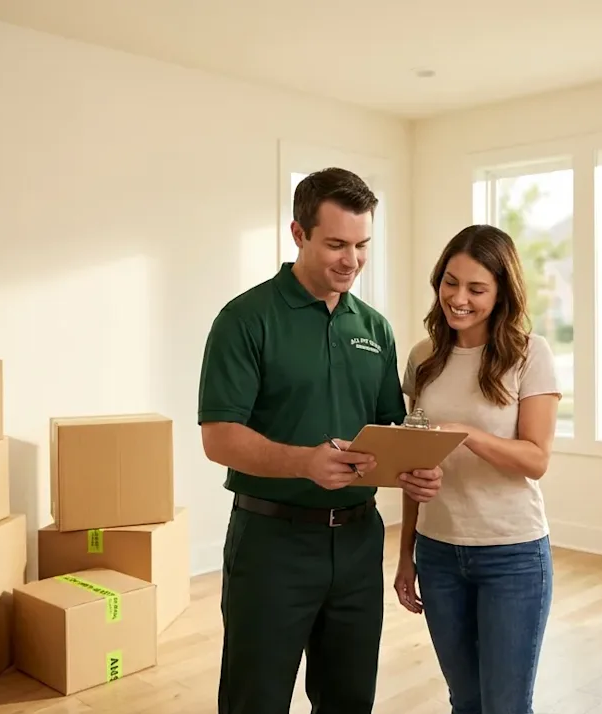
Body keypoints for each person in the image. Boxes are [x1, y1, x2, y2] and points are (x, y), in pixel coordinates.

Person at [197, 167, 444, 714]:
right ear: (298, 233)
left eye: (361, 245)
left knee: (349, 699)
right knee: (254, 699)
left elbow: (389, 431)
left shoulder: (374, 328)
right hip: (271, 543)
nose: (351, 260)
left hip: (358, 545)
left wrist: (414, 465)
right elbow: (218, 437)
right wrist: (304, 462)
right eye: (335, 243)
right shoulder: (245, 319)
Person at [393, 224, 561, 714]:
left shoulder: (530, 355)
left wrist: (465, 434)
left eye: (476, 288)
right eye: (450, 281)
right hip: (439, 554)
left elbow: (536, 460)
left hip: (512, 556)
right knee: (464, 701)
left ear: (502, 292)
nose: (458, 298)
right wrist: (407, 554)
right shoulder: (423, 357)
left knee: (505, 706)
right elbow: (412, 461)